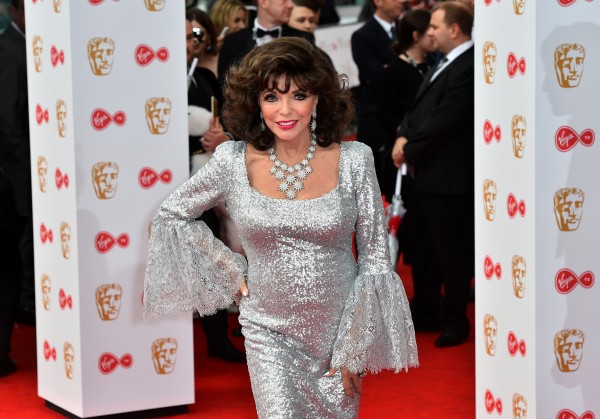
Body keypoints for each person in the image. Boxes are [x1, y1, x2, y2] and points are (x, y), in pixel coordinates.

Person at [144, 37, 418, 417]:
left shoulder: (356, 160)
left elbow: (375, 259)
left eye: (299, 95)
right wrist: (228, 269)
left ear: (319, 98)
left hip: (338, 335)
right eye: (271, 97)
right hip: (266, 329)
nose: (285, 110)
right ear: (256, 102)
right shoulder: (232, 161)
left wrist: (355, 348)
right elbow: (170, 217)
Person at [391, 1, 474, 348]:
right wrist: (403, 134)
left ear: (454, 29)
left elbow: (447, 117)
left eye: (435, 27)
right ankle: (430, 310)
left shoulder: (468, 64)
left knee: (451, 253)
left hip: (448, 177)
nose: (430, 33)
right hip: (426, 172)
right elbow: (419, 107)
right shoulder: (444, 62)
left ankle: (456, 322)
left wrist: (409, 148)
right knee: (426, 248)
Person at [185, 13, 246, 363]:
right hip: (161, 180)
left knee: (210, 256)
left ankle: (217, 338)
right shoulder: (155, 78)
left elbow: (225, 122)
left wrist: (221, 138)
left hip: (203, 179)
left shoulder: (206, 78)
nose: (193, 40)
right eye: (189, 33)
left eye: (200, 36)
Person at [0, 0, 35, 341]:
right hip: (19, 166)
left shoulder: (29, 45)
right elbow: (8, 117)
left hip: (29, 163)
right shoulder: (10, 49)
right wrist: (25, 164)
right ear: (15, 10)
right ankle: (25, 302)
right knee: (24, 232)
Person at [351, 0, 403, 189]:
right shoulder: (361, 36)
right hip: (375, 119)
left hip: (403, 117)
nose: (402, 1)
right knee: (373, 183)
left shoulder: (405, 30)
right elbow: (376, 76)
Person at [217, 0, 314, 85]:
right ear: (264, 2)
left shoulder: (303, 38)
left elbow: (310, 79)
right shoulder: (232, 41)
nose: (290, 5)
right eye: (284, 0)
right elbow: (225, 85)